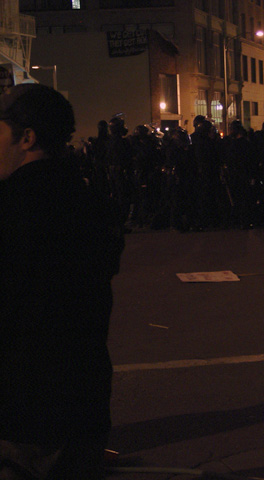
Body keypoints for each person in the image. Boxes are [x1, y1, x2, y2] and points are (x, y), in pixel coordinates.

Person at [0, 84, 124, 479]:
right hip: (83, 399)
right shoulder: (89, 200)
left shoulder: (13, 206)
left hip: (23, 410)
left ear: (26, 138)